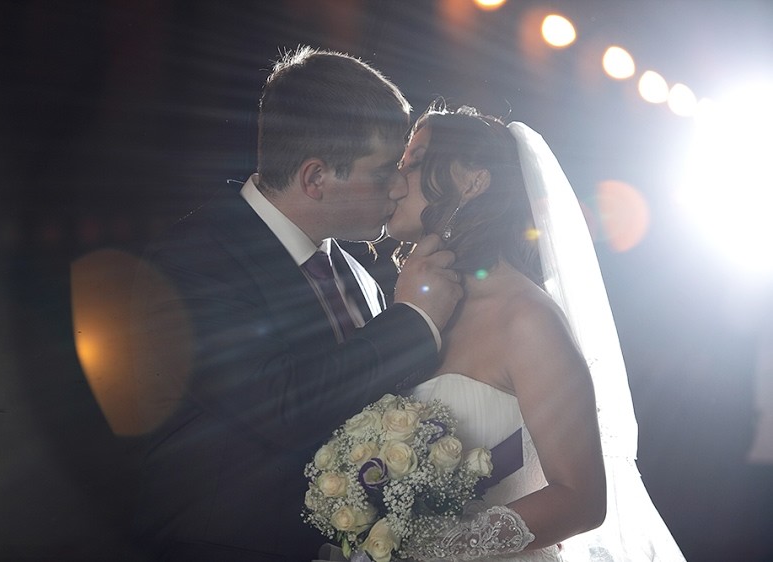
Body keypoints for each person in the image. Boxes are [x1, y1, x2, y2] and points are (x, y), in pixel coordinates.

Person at [129, 48, 463, 562]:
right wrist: (416, 321)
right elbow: (281, 403)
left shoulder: (358, 274)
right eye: (384, 172)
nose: (399, 187)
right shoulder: (191, 260)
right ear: (315, 178)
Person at [385, 103, 686, 561]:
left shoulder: (527, 318)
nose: (396, 177)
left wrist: (440, 548)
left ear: (474, 182)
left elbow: (582, 499)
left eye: (417, 161)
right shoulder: (417, 306)